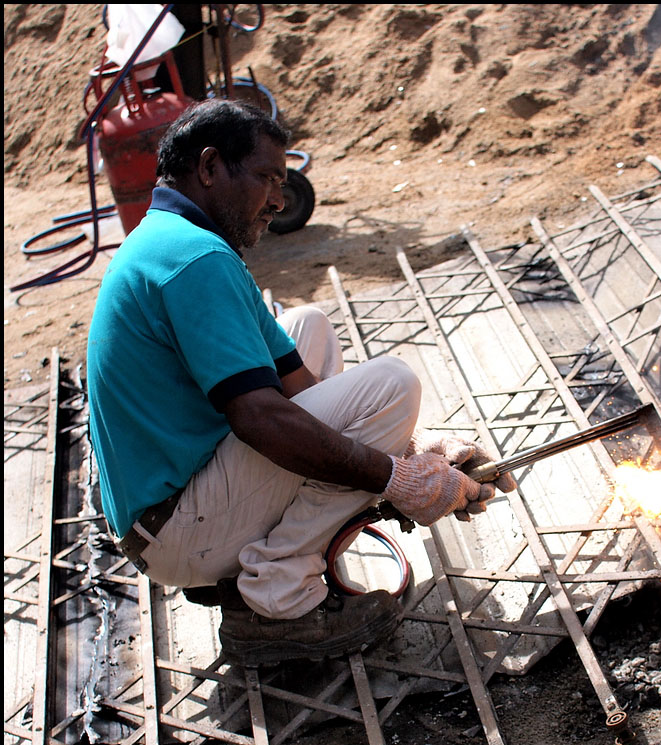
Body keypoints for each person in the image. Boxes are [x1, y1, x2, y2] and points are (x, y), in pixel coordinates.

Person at [86, 99, 515, 666]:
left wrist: (417, 448)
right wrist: (396, 477)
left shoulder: (172, 240)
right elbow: (261, 419)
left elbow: (298, 384)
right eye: (267, 178)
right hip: (178, 531)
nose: (278, 201)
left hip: (166, 515)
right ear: (210, 167)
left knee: (309, 327)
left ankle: (269, 565)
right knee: (393, 384)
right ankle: (278, 597)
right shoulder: (195, 259)